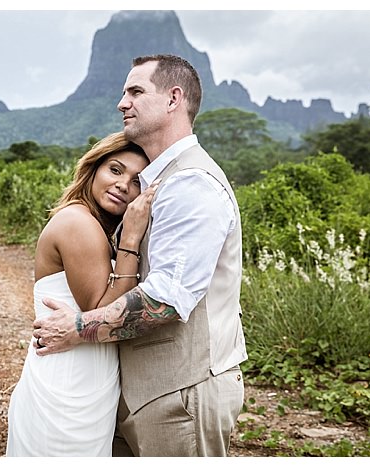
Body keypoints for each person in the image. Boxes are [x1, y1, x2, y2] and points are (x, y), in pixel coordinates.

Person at [32, 54, 248, 457]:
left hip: (181, 393)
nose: (122, 103)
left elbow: (165, 300)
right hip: (143, 391)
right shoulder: (157, 182)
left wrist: (77, 328)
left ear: (173, 99)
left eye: (135, 91)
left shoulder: (191, 186)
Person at [5, 132, 157, 456]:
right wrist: (131, 236)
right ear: (94, 168)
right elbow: (102, 307)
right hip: (68, 382)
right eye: (115, 170)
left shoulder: (95, 225)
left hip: (86, 376)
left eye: (136, 182)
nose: (122, 185)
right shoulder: (78, 222)